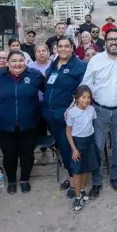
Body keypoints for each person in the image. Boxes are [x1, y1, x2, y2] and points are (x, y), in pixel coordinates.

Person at [81, 28, 117, 197]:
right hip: (99, 110)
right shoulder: (96, 60)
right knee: (97, 145)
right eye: (111, 39)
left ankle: (114, 176)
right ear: (105, 42)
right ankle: (97, 180)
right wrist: (79, 105)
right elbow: (86, 83)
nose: (114, 42)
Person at [0, 50, 45, 194]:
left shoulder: (35, 76)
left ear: (25, 62)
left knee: (27, 153)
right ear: (7, 63)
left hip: (29, 123)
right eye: (13, 61)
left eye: (20, 60)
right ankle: (12, 180)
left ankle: (25, 179)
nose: (17, 64)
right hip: (6, 125)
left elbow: (47, 91)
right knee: (9, 155)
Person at [43, 37, 87, 199]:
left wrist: (72, 108)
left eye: (66, 46)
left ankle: (77, 183)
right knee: (62, 148)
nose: (62, 49)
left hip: (69, 117)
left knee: (72, 149)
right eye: (59, 46)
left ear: (72, 48)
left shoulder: (80, 66)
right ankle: (71, 176)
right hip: (51, 115)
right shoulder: (54, 64)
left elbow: (83, 92)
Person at [66, 86, 100, 212]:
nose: (86, 100)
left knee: (87, 167)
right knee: (77, 170)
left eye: (88, 97)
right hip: (77, 143)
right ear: (77, 98)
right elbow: (68, 132)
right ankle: (77, 196)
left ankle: (82, 191)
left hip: (89, 142)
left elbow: (92, 125)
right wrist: (74, 149)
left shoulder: (91, 109)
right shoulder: (71, 112)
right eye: (83, 97)